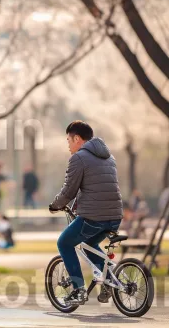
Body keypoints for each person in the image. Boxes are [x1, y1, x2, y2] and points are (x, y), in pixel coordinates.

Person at [48, 121, 123, 305]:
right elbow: (96, 188)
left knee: (64, 242)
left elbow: (69, 191)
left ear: (77, 139)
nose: (68, 145)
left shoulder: (79, 158)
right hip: (114, 217)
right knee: (89, 243)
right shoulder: (109, 157)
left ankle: (78, 289)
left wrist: (55, 205)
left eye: (68, 140)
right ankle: (108, 280)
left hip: (93, 217)